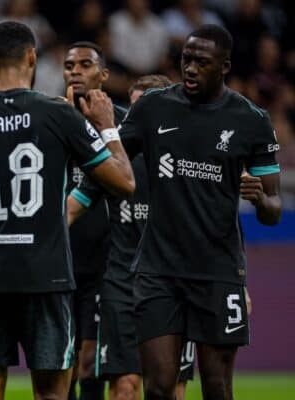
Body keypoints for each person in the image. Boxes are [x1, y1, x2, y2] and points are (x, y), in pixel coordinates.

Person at [0, 21, 135, 400]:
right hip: (46, 274)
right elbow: (124, 181)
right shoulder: (59, 114)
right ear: (31, 56)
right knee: (52, 393)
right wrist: (108, 127)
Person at [92, 24, 281, 400]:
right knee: (160, 387)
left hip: (218, 271)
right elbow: (114, 163)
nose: (191, 68)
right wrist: (103, 131)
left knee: (216, 386)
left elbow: (273, 211)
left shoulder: (250, 120)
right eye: (186, 60)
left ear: (225, 66)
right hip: (158, 271)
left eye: (202, 62)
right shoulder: (153, 106)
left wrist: (260, 198)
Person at [68, 74, 196, 400]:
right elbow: (72, 208)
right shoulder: (113, 166)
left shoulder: (190, 159)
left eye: (144, 109)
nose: (133, 119)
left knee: (171, 388)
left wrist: (242, 281)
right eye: (131, 110)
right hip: (122, 285)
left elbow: (217, 222)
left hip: (176, 284)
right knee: (124, 385)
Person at [62, 41, 128, 400]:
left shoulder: (120, 123)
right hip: (60, 258)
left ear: (103, 75)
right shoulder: (51, 119)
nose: (75, 70)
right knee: (61, 361)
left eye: (85, 64)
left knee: (90, 360)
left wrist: (107, 128)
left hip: (105, 262)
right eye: (69, 65)